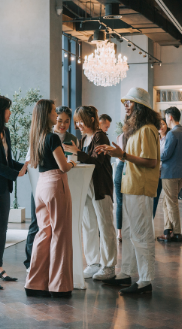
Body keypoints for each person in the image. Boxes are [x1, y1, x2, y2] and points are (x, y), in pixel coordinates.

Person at [96, 87, 160, 295]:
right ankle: (126, 273)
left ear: (140, 106)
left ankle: (145, 280)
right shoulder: (137, 130)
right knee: (130, 232)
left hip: (140, 187)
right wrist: (119, 153)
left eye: (130, 102)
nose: (126, 106)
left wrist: (122, 155)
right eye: (125, 102)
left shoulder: (147, 129)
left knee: (141, 234)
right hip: (131, 186)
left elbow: (151, 162)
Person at [25, 99, 76, 298]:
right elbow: (63, 167)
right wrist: (72, 163)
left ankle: (34, 283)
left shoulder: (36, 136)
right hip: (56, 184)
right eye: (54, 111)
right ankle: (59, 286)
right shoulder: (52, 137)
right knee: (60, 235)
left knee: (44, 233)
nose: (56, 114)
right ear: (47, 114)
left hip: (41, 185)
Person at [64, 106, 116, 281]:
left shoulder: (100, 136)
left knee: (105, 226)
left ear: (91, 119)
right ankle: (93, 263)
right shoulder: (83, 139)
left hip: (100, 187)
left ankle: (108, 266)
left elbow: (97, 161)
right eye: (77, 121)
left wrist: (77, 153)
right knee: (89, 226)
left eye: (81, 121)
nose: (78, 125)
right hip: (86, 187)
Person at [0, 95, 27, 289]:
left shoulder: (5, 131)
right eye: (7, 109)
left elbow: (7, 160)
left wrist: (24, 166)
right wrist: (15, 173)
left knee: (3, 227)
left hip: (4, 186)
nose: (10, 112)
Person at [156, 107, 182, 243]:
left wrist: (154, 156)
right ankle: (167, 231)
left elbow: (166, 155)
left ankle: (177, 233)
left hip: (170, 173)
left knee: (171, 203)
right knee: (167, 202)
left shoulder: (172, 134)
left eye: (166, 117)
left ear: (170, 117)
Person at [152, 118, 170, 219]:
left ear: (167, 125)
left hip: (166, 171)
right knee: (154, 199)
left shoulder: (169, 138)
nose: (161, 126)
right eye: (159, 124)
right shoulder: (155, 139)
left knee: (168, 200)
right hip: (156, 172)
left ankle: (169, 226)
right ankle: (151, 221)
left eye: (163, 124)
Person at [114, 133, 125, 242]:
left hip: (119, 168)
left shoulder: (120, 136)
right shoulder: (132, 136)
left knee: (120, 202)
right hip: (126, 167)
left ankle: (119, 233)